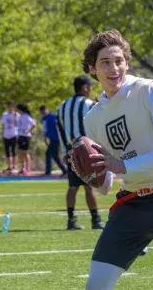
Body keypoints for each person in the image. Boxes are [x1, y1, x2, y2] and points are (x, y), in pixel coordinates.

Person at [79, 30, 153, 290]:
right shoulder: (93, 118)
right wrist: (86, 171)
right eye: (104, 62)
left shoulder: (150, 90)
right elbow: (106, 185)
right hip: (131, 204)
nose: (113, 68)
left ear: (127, 63)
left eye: (118, 60)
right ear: (92, 69)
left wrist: (126, 165)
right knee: (96, 284)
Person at [57, 75, 105, 230]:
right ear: (85, 87)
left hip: (71, 152)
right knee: (90, 186)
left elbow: (60, 130)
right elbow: (98, 126)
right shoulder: (90, 104)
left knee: (72, 187)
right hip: (88, 152)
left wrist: (65, 151)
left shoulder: (62, 106)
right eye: (89, 86)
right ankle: (96, 220)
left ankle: (71, 220)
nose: (90, 89)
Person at [39, 105, 67, 177]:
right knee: (54, 156)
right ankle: (64, 170)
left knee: (49, 154)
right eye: (42, 112)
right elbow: (45, 130)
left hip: (56, 139)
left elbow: (58, 126)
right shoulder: (44, 119)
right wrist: (45, 139)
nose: (43, 113)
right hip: (51, 139)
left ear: (47, 110)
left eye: (44, 111)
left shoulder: (52, 117)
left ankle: (49, 172)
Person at [16, 104, 36, 175]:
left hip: (25, 136)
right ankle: (23, 168)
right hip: (20, 135)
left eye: (17, 109)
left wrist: (28, 130)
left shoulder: (26, 116)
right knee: (20, 152)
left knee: (25, 152)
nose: (16, 110)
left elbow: (33, 124)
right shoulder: (20, 116)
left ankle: (28, 169)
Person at [1, 101, 19, 173]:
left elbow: (18, 124)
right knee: (7, 151)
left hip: (14, 134)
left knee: (14, 151)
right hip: (6, 135)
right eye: (9, 106)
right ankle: (9, 166)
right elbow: (3, 123)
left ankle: (14, 166)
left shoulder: (16, 114)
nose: (10, 107)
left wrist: (14, 117)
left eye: (11, 106)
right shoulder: (5, 114)